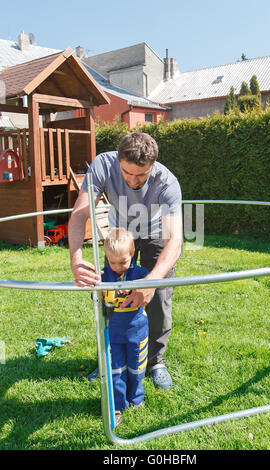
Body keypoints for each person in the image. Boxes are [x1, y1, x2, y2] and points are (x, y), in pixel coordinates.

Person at [68, 132, 182, 389]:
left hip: (155, 234)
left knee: (159, 297)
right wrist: (76, 259)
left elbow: (174, 240)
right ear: (118, 161)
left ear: (152, 166)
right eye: (126, 173)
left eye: (140, 175)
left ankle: (155, 362)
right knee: (111, 294)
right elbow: (78, 215)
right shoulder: (102, 165)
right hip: (121, 234)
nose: (132, 181)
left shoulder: (167, 182)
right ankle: (111, 357)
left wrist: (151, 282)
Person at [101, 227, 149, 426]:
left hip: (137, 331)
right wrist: (99, 293)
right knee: (116, 369)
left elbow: (149, 292)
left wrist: (142, 286)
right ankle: (117, 404)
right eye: (112, 262)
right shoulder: (104, 277)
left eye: (123, 262)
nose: (118, 267)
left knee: (137, 367)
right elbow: (95, 299)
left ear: (132, 255)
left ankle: (136, 397)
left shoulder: (141, 274)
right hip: (114, 333)